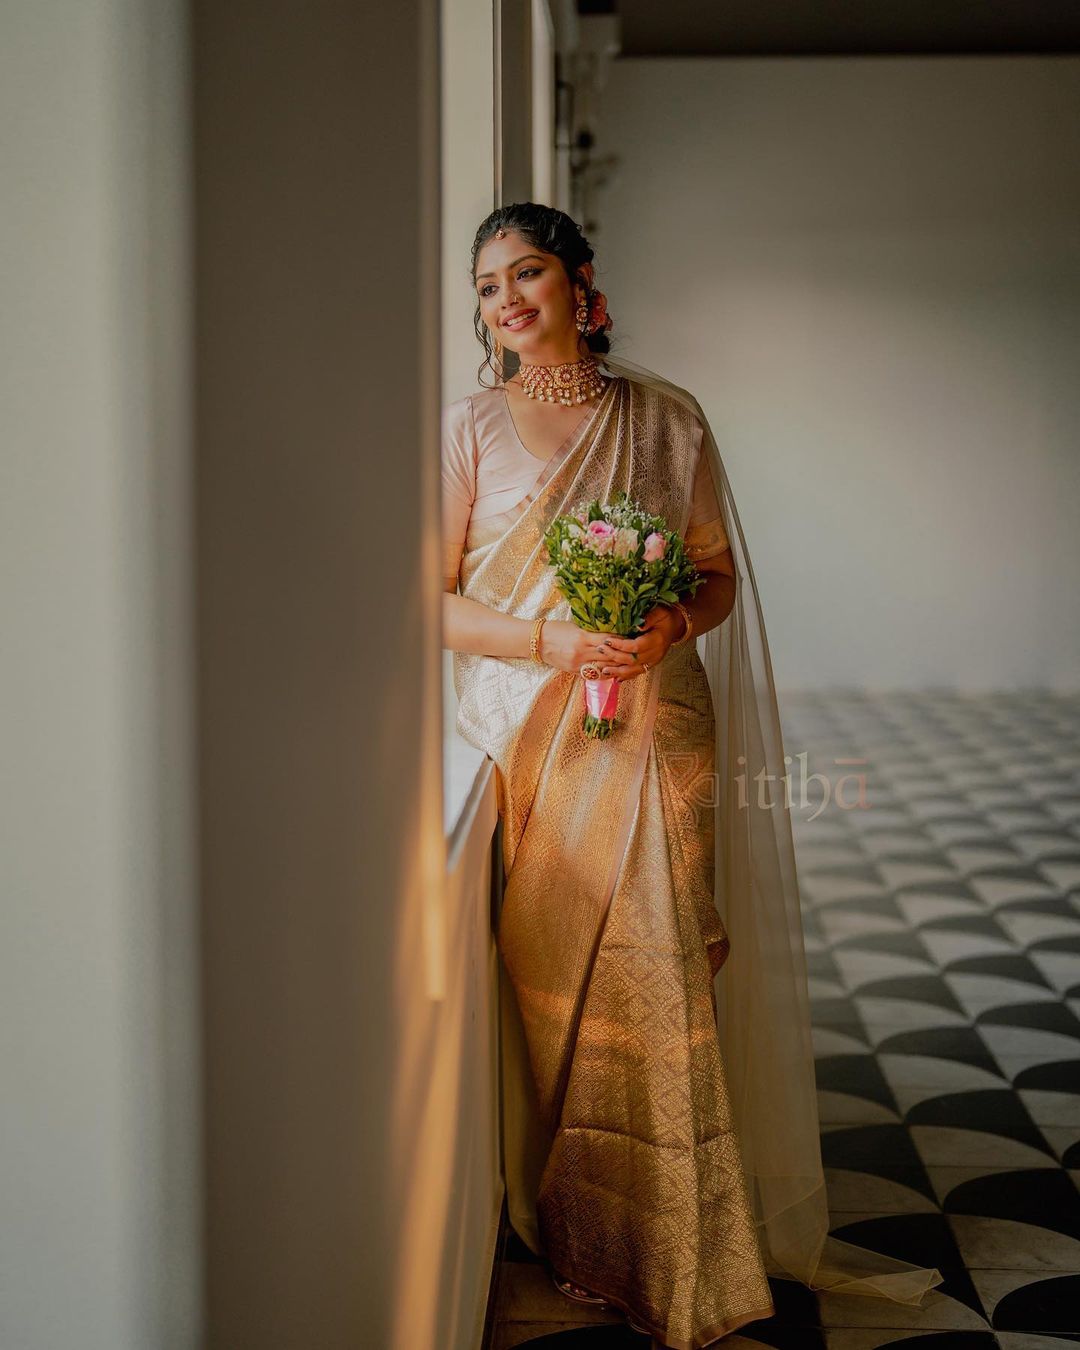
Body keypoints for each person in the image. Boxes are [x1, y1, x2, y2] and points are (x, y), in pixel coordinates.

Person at [441, 203, 940, 1350]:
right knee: (565, 989)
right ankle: (584, 1228)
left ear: (579, 282)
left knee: (663, 974)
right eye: (484, 286)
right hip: (534, 735)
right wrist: (556, 646)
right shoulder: (467, 428)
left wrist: (662, 623)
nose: (505, 300)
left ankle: (688, 1246)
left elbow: (713, 577)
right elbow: (433, 601)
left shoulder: (667, 420)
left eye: (526, 272)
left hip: (664, 727)